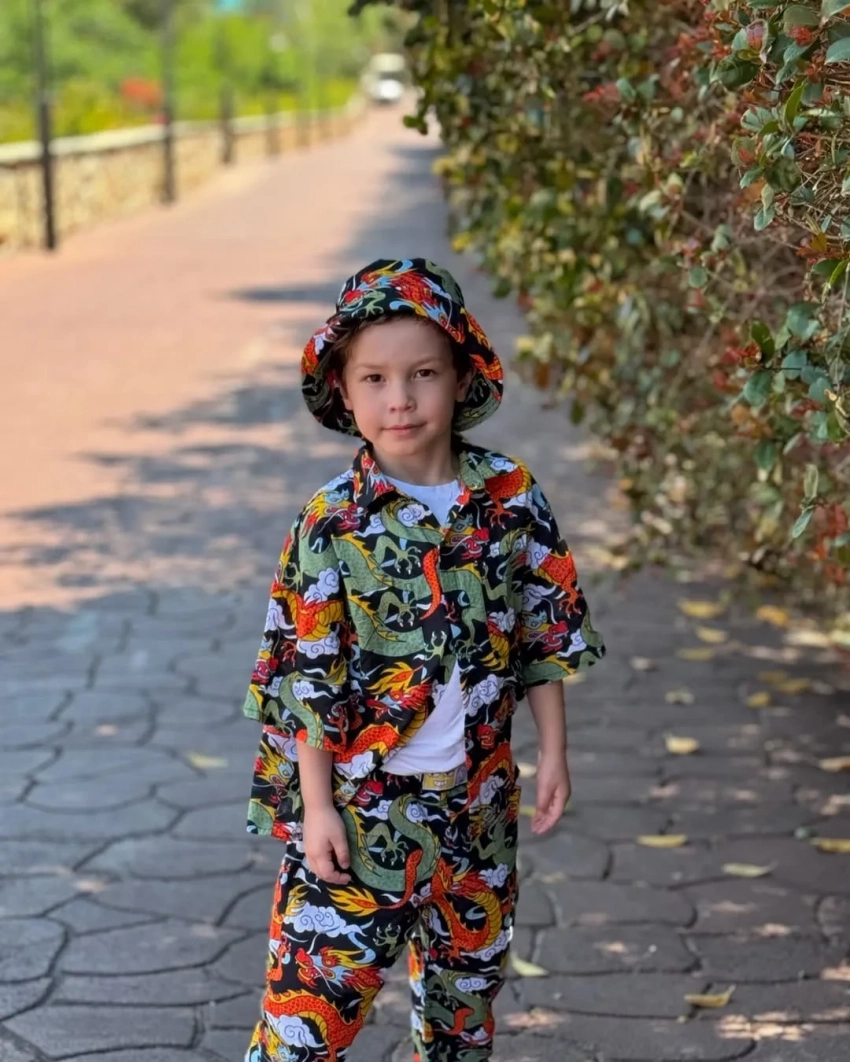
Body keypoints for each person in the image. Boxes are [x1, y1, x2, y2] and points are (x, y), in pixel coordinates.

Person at [242, 258, 605, 1062]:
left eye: (423, 374)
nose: (399, 398)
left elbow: (544, 632)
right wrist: (317, 809)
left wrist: (553, 752)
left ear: (462, 376)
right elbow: (306, 678)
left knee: (462, 1022)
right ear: (343, 392)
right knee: (307, 1026)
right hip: (362, 813)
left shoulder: (510, 496)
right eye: (374, 378)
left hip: (479, 810)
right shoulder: (331, 522)